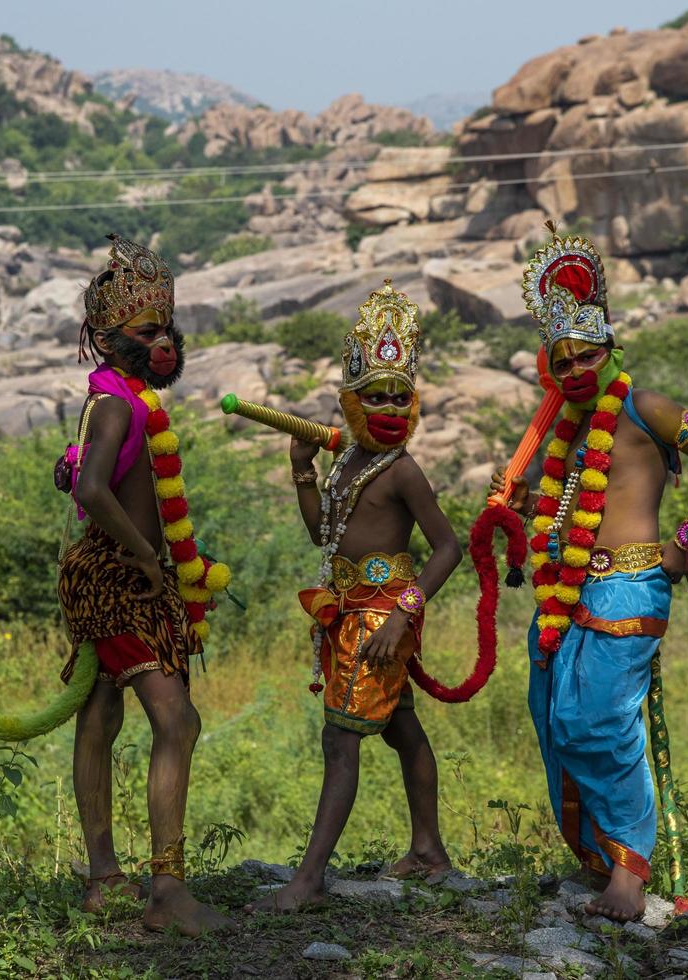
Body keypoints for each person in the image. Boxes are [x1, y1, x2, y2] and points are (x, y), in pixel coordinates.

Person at [490, 226, 688, 922]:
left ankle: (630, 880)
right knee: (558, 723)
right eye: (561, 360)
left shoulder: (645, 407)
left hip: (631, 583)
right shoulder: (566, 432)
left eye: (587, 355)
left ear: (611, 350)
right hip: (568, 591)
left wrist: (687, 540)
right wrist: (523, 500)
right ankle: (605, 864)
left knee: (595, 720)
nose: (574, 370)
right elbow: (572, 510)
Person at [250, 281, 463, 912]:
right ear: (351, 401)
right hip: (345, 609)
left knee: (341, 742)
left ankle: (309, 880)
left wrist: (403, 614)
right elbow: (324, 533)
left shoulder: (403, 468)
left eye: (402, 396)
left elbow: (446, 548)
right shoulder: (348, 463)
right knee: (400, 726)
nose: (391, 406)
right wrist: (301, 470)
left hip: (380, 614)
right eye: (377, 395)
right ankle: (428, 850)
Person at [58, 234, 233, 934]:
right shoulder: (119, 406)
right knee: (176, 719)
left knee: (102, 713)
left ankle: (106, 879)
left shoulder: (121, 401)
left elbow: (87, 476)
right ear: (106, 339)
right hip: (118, 578)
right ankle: (166, 892)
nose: (163, 343)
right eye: (146, 331)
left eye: (168, 329)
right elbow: (97, 489)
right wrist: (144, 557)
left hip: (118, 572)